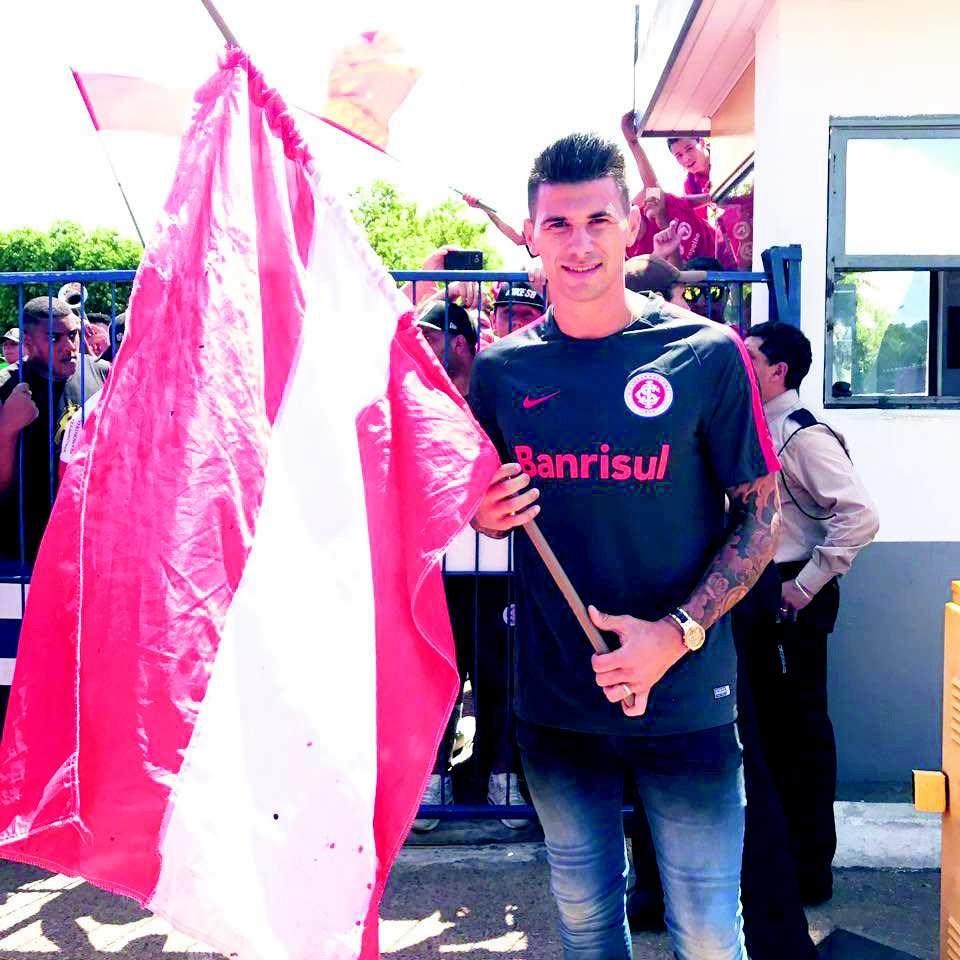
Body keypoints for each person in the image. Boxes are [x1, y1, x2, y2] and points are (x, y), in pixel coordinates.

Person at [468, 132, 782, 960]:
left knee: (708, 934)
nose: (579, 244)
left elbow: (762, 518)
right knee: (585, 927)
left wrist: (674, 635)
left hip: (686, 696)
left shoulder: (705, 355)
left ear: (631, 225)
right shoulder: (501, 372)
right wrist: (486, 515)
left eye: (597, 221)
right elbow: (480, 507)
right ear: (531, 235)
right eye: (559, 224)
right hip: (557, 701)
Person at [743, 322, 879, 906]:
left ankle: (809, 870)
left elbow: (860, 515)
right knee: (769, 733)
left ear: (778, 371)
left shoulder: (801, 435)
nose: (741, 363)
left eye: (751, 357)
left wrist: (804, 585)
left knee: (799, 733)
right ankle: (782, 866)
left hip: (792, 595)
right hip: (765, 592)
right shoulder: (760, 425)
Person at [412, 301, 527, 832]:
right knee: (437, 676)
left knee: (499, 673)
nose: (420, 343)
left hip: (498, 567)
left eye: (429, 334)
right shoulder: (420, 396)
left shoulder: (498, 391)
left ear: (458, 341)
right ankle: (434, 779)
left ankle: (502, 776)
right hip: (436, 567)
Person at [0, 296, 110, 564]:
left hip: (89, 541)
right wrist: (7, 428)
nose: (69, 346)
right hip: (26, 549)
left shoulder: (100, 373)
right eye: (54, 338)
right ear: (28, 343)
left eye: (72, 335)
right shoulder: (6, 386)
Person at [620, 111, 712, 206]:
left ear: (702, 142)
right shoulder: (690, 185)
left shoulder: (721, 149)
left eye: (689, 149)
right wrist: (632, 142)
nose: (686, 158)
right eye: (679, 155)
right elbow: (653, 188)